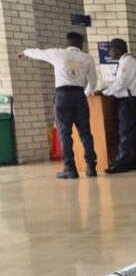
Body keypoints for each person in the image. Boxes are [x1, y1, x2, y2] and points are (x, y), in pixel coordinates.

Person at [18, 32, 97, 179]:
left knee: (65, 133)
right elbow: (92, 82)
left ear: (67, 43)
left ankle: (70, 169)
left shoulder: (57, 53)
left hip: (62, 96)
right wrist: (84, 94)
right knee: (85, 132)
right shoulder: (87, 58)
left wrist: (25, 52)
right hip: (79, 95)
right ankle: (91, 167)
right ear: (81, 44)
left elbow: (38, 53)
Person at [102, 38, 136, 174]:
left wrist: (105, 92)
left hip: (128, 101)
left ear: (118, 49)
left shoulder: (126, 62)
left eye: (110, 50)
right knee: (135, 132)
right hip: (132, 100)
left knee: (125, 132)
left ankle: (120, 163)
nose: (109, 53)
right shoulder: (128, 61)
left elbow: (121, 82)